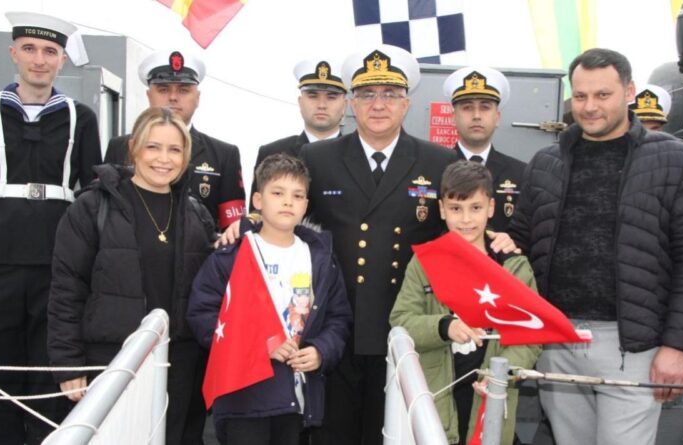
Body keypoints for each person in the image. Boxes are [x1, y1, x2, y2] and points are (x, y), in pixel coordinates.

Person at [508, 48, 683, 445]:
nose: (590, 107)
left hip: (633, 346)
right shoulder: (545, 163)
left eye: (603, 95)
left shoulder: (675, 161)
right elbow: (521, 242)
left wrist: (678, 346)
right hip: (556, 339)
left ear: (629, 91)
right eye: (581, 96)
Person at [297, 44, 458, 445]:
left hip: (403, 325)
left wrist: (496, 237)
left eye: (390, 94)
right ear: (352, 103)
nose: (379, 104)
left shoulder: (438, 162)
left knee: (392, 434)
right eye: (368, 94)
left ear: (406, 103)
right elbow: (289, 224)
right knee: (333, 434)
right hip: (336, 327)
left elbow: (457, 232)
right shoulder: (318, 158)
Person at [0, 11, 101, 444]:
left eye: (50, 51)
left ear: (62, 60)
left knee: (49, 367)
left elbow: (93, 195)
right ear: (13, 53)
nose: (39, 59)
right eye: (29, 49)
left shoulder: (80, 117)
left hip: (58, 260)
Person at [48, 107, 216, 444]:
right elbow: (67, 288)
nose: (163, 159)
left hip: (179, 364)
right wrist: (68, 364)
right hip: (110, 359)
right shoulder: (92, 207)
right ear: (133, 148)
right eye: (153, 147)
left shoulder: (197, 214)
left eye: (174, 149)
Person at [187, 153, 352, 445]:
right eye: (278, 193)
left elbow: (338, 318)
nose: (288, 202)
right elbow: (203, 316)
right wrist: (259, 345)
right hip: (244, 396)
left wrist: (321, 351)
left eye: (297, 195)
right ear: (258, 200)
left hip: (296, 398)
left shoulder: (321, 258)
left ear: (306, 205)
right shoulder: (231, 255)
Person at [390, 160, 541, 445]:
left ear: (491, 208)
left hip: (490, 391)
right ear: (442, 209)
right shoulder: (424, 262)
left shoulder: (513, 266)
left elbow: (530, 336)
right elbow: (401, 320)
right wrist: (445, 326)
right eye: (456, 209)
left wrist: (502, 372)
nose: (466, 219)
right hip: (436, 391)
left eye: (476, 208)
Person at [105, 49, 245, 230]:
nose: (173, 97)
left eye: (183, 90)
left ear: (197, 98)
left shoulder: (224, 155)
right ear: (149, 95)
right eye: (163, 89)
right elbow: (103, 211)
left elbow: (232, 229)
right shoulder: (119, 147)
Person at [249, 58, 347, 207]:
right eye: (313, 96)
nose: (321, 105)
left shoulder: (360, 154)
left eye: (331, 97)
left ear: (345, 105)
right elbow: (258, 213)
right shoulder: (271, 152)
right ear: (300, 102)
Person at [443, 67, 525, 231]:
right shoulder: (437, 167)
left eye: (485, 107)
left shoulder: (521, 173)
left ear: (497, 117)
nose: (476, 116)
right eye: (467, 107)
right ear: (453, 117)